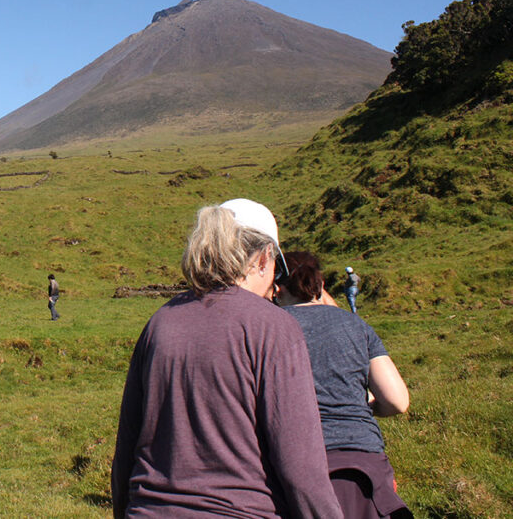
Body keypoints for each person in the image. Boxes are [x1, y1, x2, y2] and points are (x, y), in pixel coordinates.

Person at [111, 198, 342, 518]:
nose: (274, 285)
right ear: (264, 258)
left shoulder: (160, 322)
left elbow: (126, 448)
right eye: (277, 269)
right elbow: (301, 466)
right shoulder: (274, 327)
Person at [279, 252, 411, 518]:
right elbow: (397, 401)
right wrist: (360, 404)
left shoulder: (267, 328)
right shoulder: (355, 324)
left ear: (277, 289)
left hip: (296, 466)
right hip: (364, 464)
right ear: (321, 284)